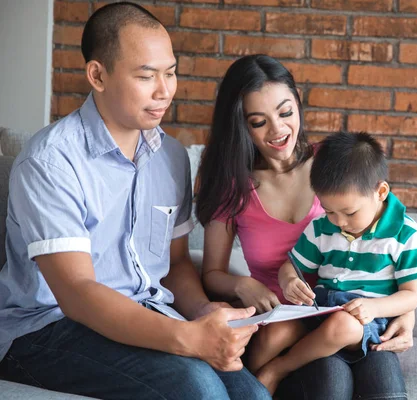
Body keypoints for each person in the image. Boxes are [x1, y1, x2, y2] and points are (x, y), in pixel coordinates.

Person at [0, 3, 269, 400]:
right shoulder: (50, 161)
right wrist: (186, 338)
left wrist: (199, 312)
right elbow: (76, 292)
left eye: (171, 72)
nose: (165, 91)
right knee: (198, 388)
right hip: (45, 329)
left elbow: (175, 262)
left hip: (145, 312)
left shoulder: (172, 157)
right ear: (98, 75)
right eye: (146, 76)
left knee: (254, 396)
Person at [196, 54, 417, 400]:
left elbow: (388, 237)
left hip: (350, 316)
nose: (278, 130)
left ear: (298, 103)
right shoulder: (233, 184)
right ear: (241, 124)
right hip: (283, 325)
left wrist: (408, 310)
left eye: (285, 112)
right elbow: (211, 273)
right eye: (259, 121)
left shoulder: (333, 164)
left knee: (382, 380)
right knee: (331, 383)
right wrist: (243, 285)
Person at [249, 131, 417, 394]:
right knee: (272, 335)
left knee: (343, 326)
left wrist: (374, 307)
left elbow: (411, 296)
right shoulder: (322, 227)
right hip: (320, 310)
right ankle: (247, 386)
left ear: (380, 192)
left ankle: (280, 368)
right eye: (329, 210)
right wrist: (289, 281)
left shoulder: (406, 234)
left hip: (365, 320)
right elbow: (292, 266)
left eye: (350, 212)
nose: (340, 222)